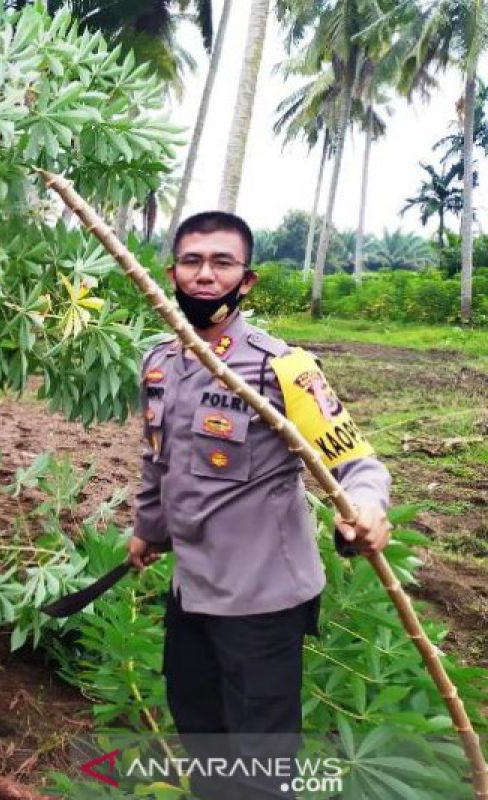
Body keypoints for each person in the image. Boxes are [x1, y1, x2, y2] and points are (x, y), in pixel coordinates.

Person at [128, 211, 392, 799]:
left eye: (222, 262)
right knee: (200, 731)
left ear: (246, 281)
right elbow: (158, 464)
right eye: (192, 261)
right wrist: (147, 530)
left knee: (261, 763)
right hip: (191, 592)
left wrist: (368, 509)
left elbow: (356, 464)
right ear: (171, 273)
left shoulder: (282, 367)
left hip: (262, 600)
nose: (204, 275)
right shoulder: (158, 365)